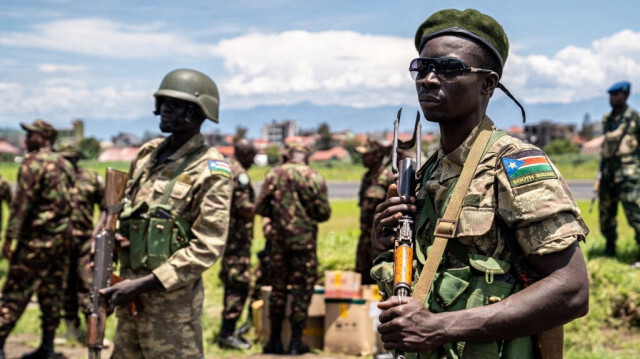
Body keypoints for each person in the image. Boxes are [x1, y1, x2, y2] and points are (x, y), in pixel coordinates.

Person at [370, 9, 590, 358]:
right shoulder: (428, 171)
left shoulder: (513, 163)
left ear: (487, 83)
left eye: (448, 69)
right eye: (422, 67)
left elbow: (572, 290)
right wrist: (387, 243)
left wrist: (438, 327)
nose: (428, 79)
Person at [99, 68, 232, 358]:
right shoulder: (147, 155)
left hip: (172, 314)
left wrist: (143, 285)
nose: (164, 110)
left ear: (198, 112)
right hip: (130, 303)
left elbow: (207, 247)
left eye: (175, 104)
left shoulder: (210, 169)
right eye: (163, 102)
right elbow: (126, 215)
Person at [0, 119, 74, 359]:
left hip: (36, 240)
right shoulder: (65, 163)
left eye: (30, 135)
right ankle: (48, 347)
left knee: (14, 292)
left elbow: (22, 203)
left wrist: (11, 237)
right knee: (52, 292)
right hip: (62, 240)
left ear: (43, 137)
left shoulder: (33, 163)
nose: (25, 139)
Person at [255, 143, 331, 355]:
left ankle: (274, 341)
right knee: (301, 291)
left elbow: (260, 207)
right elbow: (324, 213)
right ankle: (296, 341)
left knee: (277, 290)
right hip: (304, 243)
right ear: (305, 156)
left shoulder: (273, 174)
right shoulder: (313, 177)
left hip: (278, 242)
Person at [58, 144, 105, 341]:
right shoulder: (55, 179)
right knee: (64, 286)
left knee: (88, 286)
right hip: (60, 242)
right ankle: (71, 329)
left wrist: (96, 234)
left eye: (72, 158)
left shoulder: (91, 178)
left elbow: (105, 207)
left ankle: (93, 333)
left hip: (86, 241)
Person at [218, 138, 258, 350]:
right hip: (237, 240)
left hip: (229, 237)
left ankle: (229, 330)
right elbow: (243, 206)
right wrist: (263, 205)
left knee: (233, 281)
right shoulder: (240, 174)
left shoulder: (228, 168)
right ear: (246, 155)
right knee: (238, 283)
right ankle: (227, 333)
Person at [597, 81, 640, 261]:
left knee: (635, 214)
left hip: (629, 175)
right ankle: (610, 250)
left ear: (626, 95)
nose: (612, 98)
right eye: (610, 94)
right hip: (608, 174)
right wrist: (600, 174)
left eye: (616, 94)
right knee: (606, 214)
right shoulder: (607, 119)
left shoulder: (634, 118)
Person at [355, 139, 394, 285]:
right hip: (365, 237)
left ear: (377, 156)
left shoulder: (388, 178)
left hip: (380, 239)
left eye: (366, 155)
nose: (363, 158)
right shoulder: (367, 177)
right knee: (362, 277)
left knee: (378, 279)